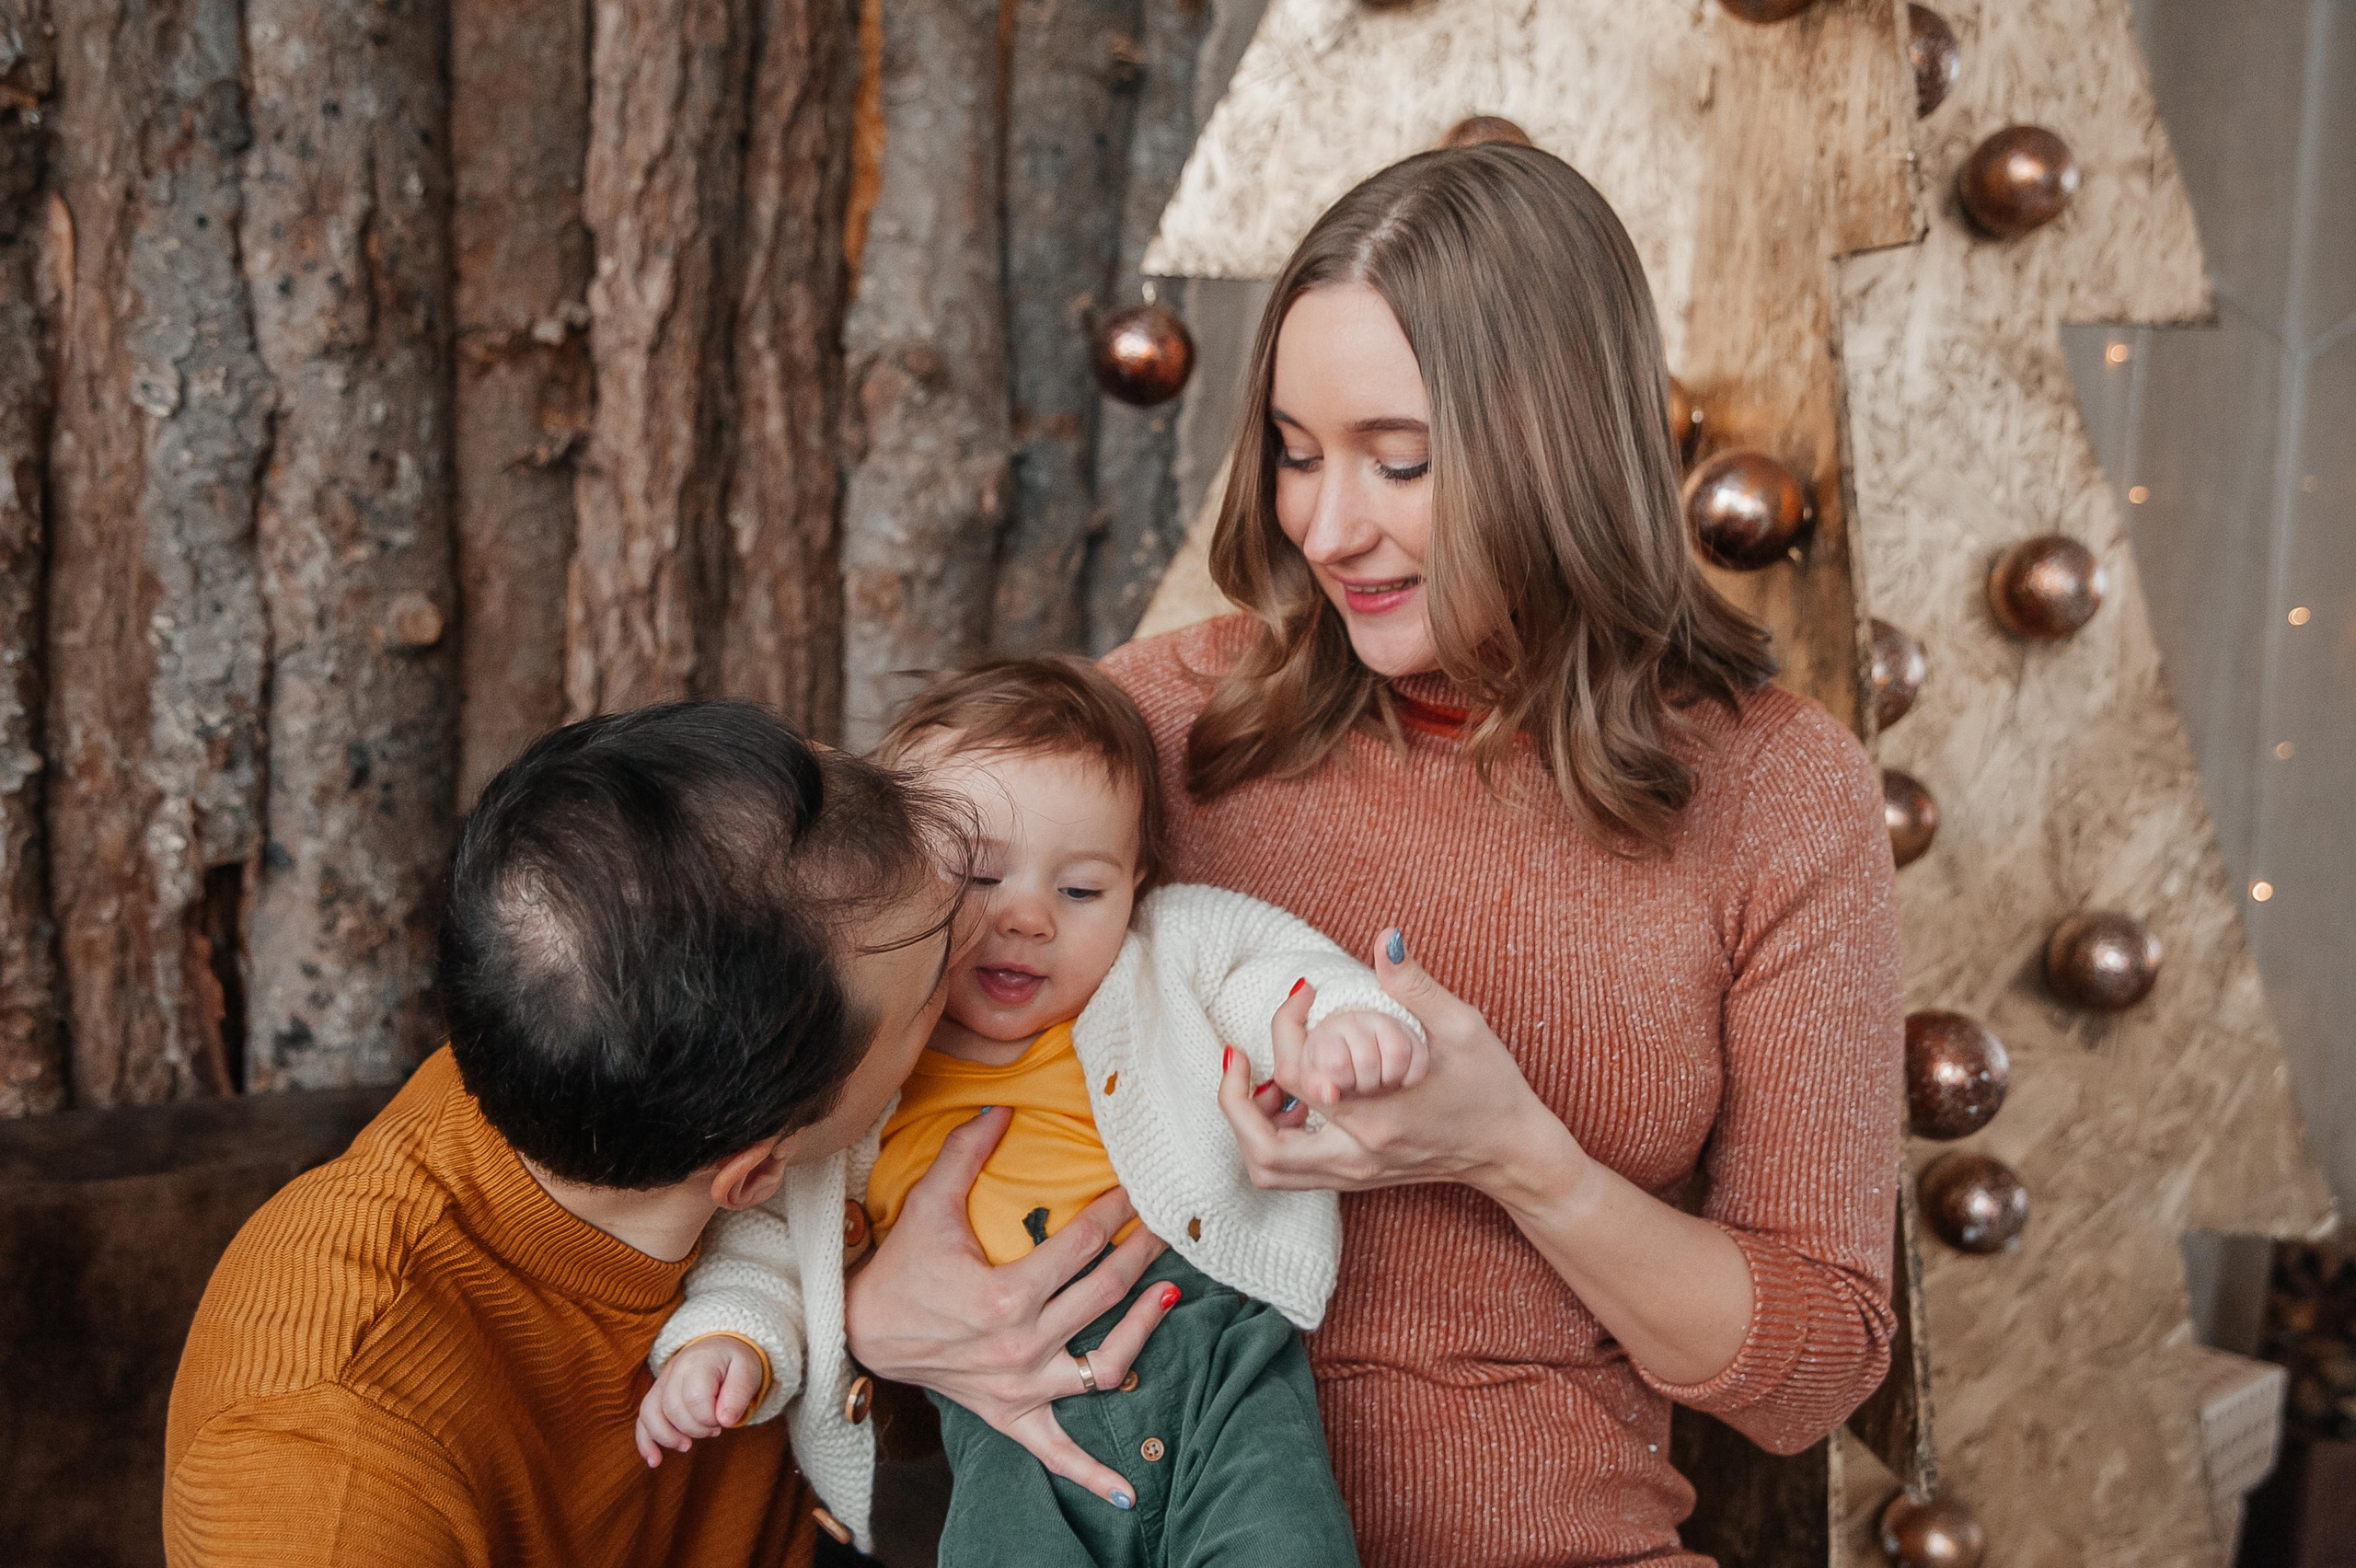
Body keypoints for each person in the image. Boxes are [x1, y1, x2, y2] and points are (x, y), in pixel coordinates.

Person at [845, 143, 1906, 1567]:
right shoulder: (1143, 735)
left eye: (1398, 461)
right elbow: (821, 1094)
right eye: (1296, 452)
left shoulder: (1780, 794)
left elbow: (1819, 1366)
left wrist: (1520, 1160)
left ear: (1557, 447)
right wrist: (873, 1317)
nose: (1326, 527)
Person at [637, 657, 1424, 1566]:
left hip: (1216, 1358)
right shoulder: (863, 1059)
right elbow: (770, 1240)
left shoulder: (1157, 957)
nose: (1028, 919)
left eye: (1080, 890)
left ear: (1136, 887)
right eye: (978, 876)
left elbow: (1270, 970)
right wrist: (730, 1341)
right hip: (998, 1424)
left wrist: (1342, 1029)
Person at [163, 703, 990, 1566]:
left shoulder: (594, 1026)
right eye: (932, 991)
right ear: (752, 1175)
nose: (985, 937)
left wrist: (879, 1334)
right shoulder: (330, 1472)